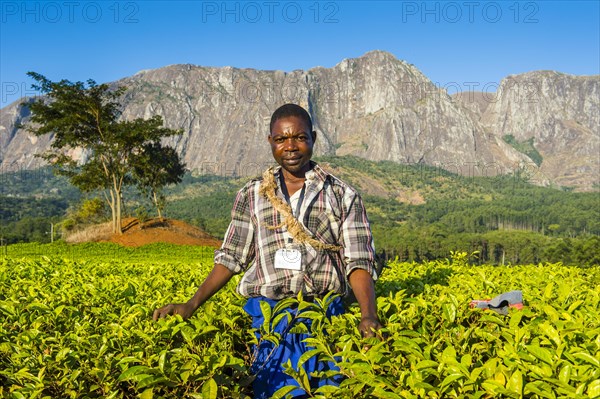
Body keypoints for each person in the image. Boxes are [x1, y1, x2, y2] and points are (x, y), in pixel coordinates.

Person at [153, 103, 381, 398]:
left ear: (313, 138)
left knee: (327, 389)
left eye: (300, 137)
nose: (291, 147)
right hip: (267, 317)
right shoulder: (253, 194)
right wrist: (191, 304)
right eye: (281, 139)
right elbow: (232, 256)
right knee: (268, 390)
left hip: (324, 314)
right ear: (270, 141)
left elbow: (359, 259)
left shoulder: (342, 194)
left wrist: (368, 315)